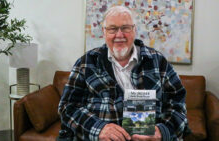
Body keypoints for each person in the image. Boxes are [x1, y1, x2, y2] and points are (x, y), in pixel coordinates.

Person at [58, 6, 189, 141]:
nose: (119, 35)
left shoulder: (158, 61)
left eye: (125, 28)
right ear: (104, 32)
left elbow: (178, 104)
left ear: (134, 30)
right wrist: (98, 129)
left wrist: (161, 132)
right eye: (112, 29)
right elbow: (67, 107)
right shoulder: (86, 62)